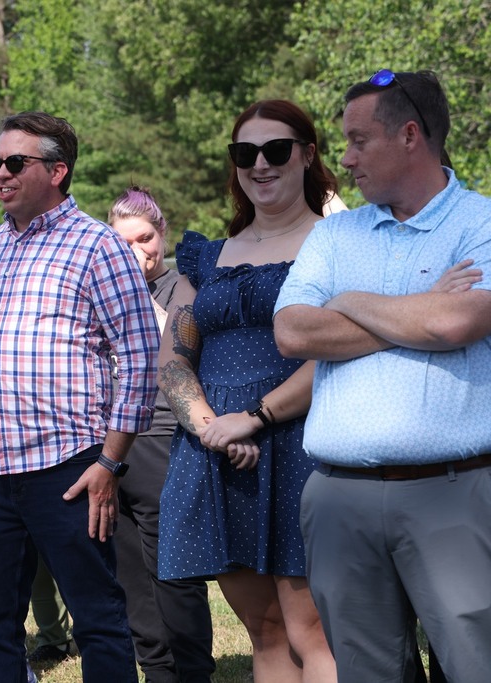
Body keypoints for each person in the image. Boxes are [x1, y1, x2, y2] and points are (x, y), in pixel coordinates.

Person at [273, 69, 491, 683]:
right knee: (368, 673)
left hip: (455, 494)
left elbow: (459, 322)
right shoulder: (336, 232)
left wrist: (347, 299)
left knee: (476, 664)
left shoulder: (481, 223)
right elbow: (292, 332)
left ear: (410, 136)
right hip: (339, 499)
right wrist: (420, 303)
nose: (344, 158)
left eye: (358, 140)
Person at [0, 111, 158, 683]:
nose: (0, 173)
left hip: (69, 469)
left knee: (97, 620)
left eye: (16, 162)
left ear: (58, 170)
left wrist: (110, 462)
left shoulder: (98, 246)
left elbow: (139, 357)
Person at [156, 100, 337, 682]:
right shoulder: (206, 257)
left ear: (307, 155)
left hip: (303, 449)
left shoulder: (338, 244)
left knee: (316, 636)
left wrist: (255, 418)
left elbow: (340, 355)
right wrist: (214, 427)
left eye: (276, 149)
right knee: (265, 636)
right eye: (245, 152)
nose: (260, 163)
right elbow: (174, 361)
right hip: (218, 454)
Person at [109, 186, 216, 683]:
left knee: (173, 570)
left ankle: (193, 671)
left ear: (162, 232)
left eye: (145, 238)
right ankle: (157, 670)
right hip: (113, 442)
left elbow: (180, 345)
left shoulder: (183, 286)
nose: (138, 250)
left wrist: (132, 295)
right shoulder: (103, 290)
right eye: (124, 242)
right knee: (129, 570)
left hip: (164, 437)